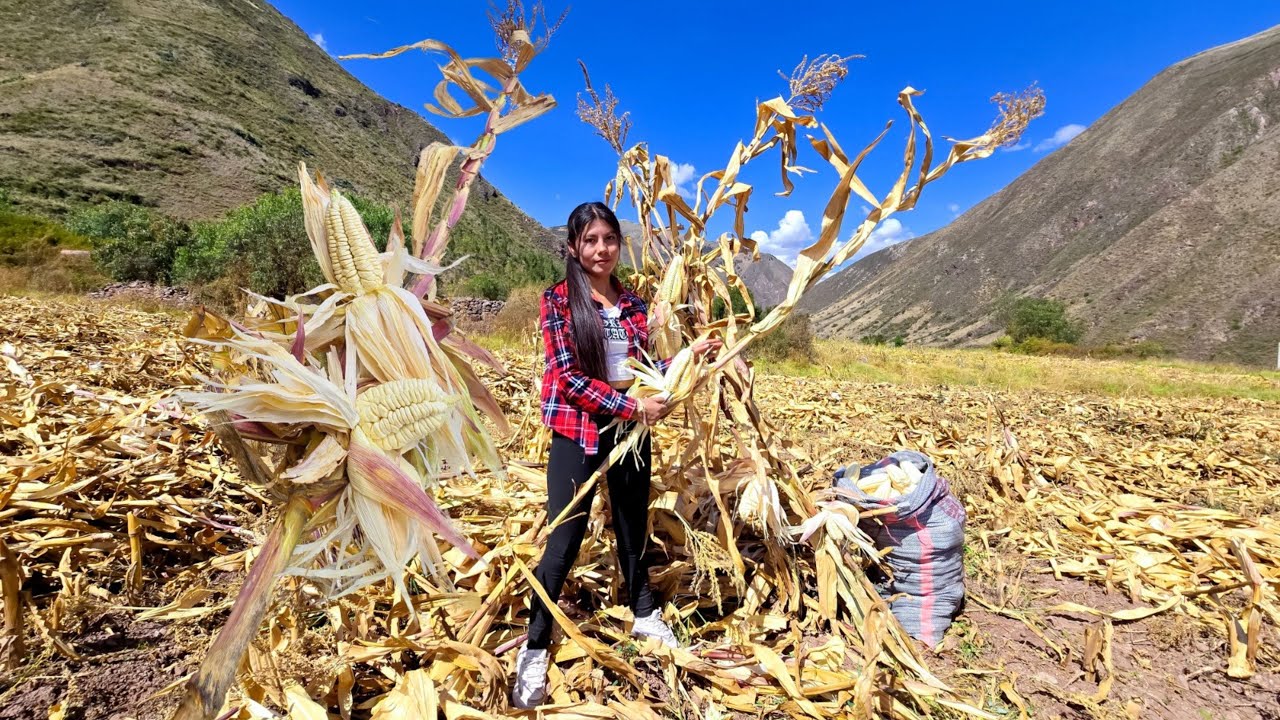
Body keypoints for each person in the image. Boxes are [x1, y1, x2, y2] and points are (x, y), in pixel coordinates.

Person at [512, 201, 720, 709]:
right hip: (579, 428)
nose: (601, 249)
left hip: (629, 429)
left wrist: (685, 359)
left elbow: (640, 368)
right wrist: (632, 406)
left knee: (631, 523)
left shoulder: (632, 305)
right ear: (573, 247)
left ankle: (644, 613)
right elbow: (569, 379)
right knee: (564, 538)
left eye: (609, 239)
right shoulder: (558, 301)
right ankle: (534, 645)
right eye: (590, 240)